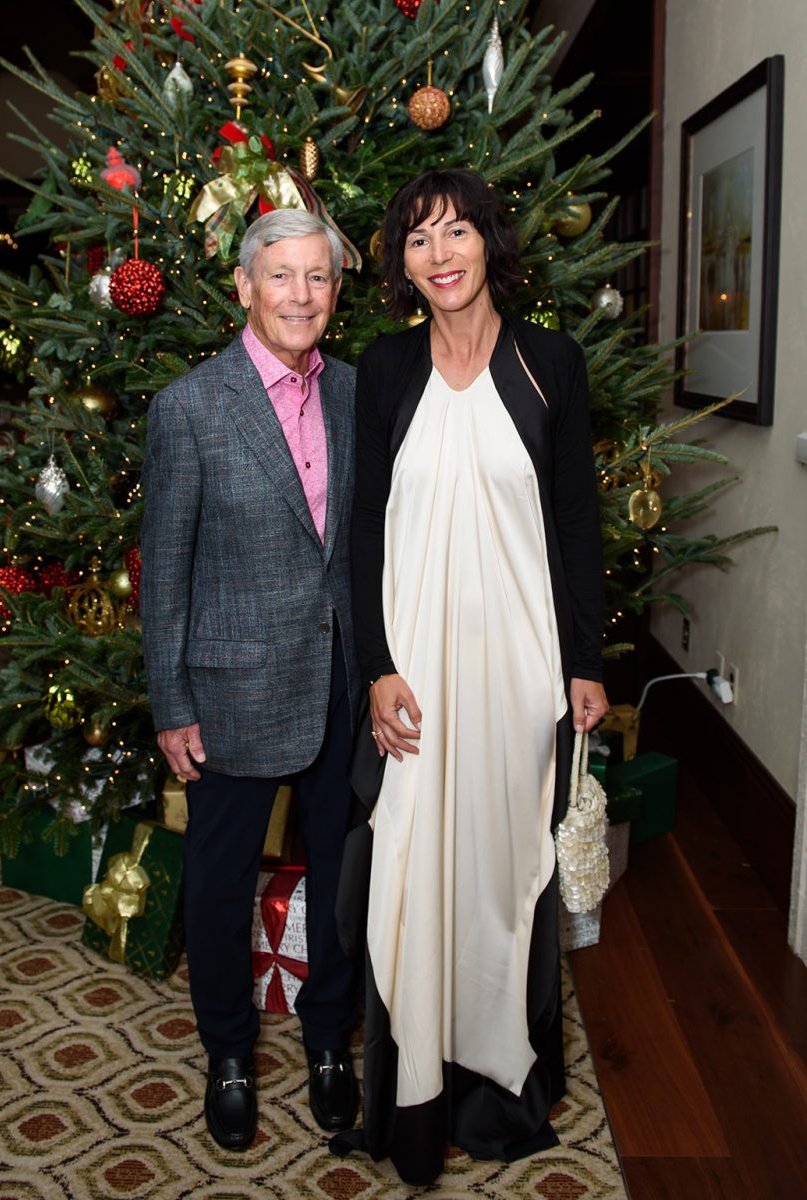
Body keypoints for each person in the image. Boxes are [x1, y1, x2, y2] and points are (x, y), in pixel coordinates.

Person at [335, 168, 609, 1185]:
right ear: (401, 265)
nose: (440, 254)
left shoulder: (551, 361)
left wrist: (585, 662)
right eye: (418, 239)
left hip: (517, 671)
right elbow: (364, 529)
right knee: (410, 867)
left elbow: (576, 520)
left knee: (498, 874)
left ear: (490, 241)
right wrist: (376, 668)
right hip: (413, 681)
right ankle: (413, 1097)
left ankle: (498, 1086)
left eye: (456, 232)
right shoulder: (384, 368)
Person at [140, 209, 361, 1152]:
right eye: (281, 275)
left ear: (335, 291)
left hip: (343, 682)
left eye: (318, 277)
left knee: (344, 879)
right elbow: (166, 569)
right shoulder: (190, 407)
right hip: (231, 690)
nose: (300, 296)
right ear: (243, 286)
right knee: (220, 887)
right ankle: (229, 1055)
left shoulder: (357, 393)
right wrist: (172, 703)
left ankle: (328, 1041)